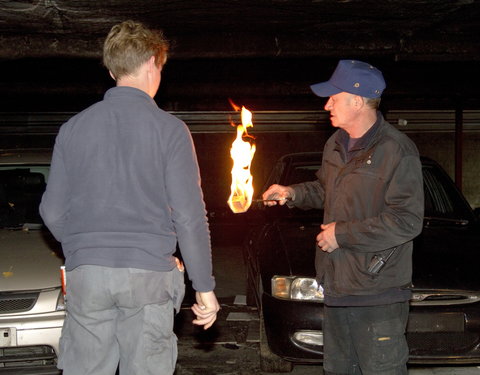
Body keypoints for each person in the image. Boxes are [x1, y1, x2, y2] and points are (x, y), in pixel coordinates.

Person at [40, 20, 220, 375]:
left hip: (87, 275)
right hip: (148, 275)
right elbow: (188, 216)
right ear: (153, 62)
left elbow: (52, 209)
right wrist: (204, 287)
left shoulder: (73, 128)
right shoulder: (170, 130)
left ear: (112, 69)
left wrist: (86, 245)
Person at [262, 60, 424, 375]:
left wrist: (343, 234)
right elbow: (326, 189)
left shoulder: (397, 151)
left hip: (378, 294)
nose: (326, 105)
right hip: (337, 288)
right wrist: (292, 193)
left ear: (357, 100)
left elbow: (407, 220)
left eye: (333, 98)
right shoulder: (334, 145)